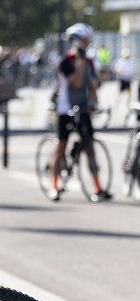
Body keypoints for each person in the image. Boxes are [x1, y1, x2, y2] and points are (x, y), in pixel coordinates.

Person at [48, 23, 111, 202]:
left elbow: (92, 86)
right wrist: (79, 62)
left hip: (82, 109)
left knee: (90, 147)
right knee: (60, 148)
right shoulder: (65, 61)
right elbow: (76, 82)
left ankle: (98, 187)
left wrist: (93, 102)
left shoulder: (90, 61)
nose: (87, 43)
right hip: (64, 109)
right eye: (84, 40)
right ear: (76, 41)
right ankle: (54, 185)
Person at [113, 49, 133, 125]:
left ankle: (127, 107)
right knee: (120, 94)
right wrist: (123, 75)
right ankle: (116, 106)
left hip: (128, 80)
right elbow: (118, 70)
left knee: (129, 95)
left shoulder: (129, 62)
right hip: (123, 80)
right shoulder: (121, 62)